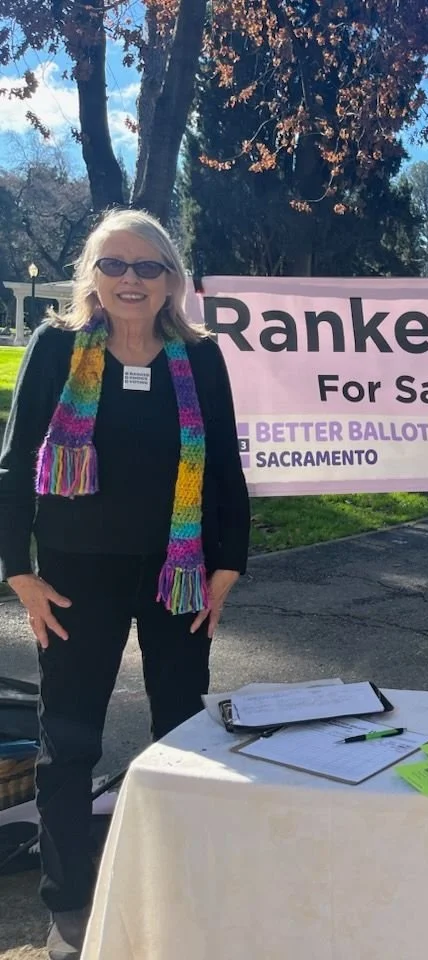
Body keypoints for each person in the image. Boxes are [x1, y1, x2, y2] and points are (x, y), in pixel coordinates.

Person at [0, 209, 250, 959]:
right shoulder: (55, 348)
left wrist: (228, 566)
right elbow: (15, 468)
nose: (131, 280)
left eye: (148, 266)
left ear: (172, 278)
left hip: (180, 578)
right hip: (77, 579)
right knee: (69, 743)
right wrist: (19, 573)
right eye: (115, 265)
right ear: (93, 275)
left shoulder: (200, 358)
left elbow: (227, 471)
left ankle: (179, 884)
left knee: (182, 733)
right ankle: (70, 908)